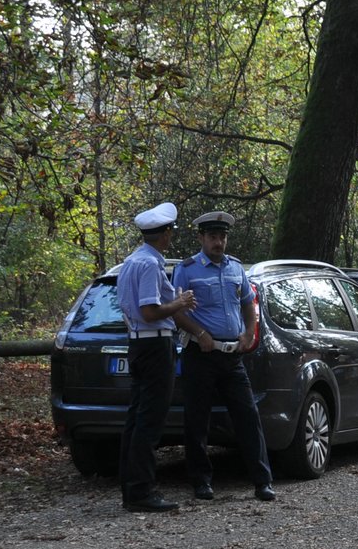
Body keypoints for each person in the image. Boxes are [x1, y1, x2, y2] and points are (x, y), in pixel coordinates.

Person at [170, 211, 277, 503]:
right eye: (213, 237)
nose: (219, 242)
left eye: (223, 237)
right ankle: (201, 482)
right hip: (200, 353)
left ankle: (262, 481)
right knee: (197, 420)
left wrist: (248, 332)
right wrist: (200, 333)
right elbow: (176, 310)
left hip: (232, 357)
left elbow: (247, 303)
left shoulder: (235, 268)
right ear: (202, 238)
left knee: (248, 416)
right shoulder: (187, 269)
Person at [116, 202, 197, 513]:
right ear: (165, 233)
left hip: (137, 345)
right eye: (170, 231)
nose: (171, 236)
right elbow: (150, 312)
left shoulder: (131, 262)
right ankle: (141, 492)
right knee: (150, 420)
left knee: (136, 419)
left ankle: (131, 487)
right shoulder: (150, 265)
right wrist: (179, 303)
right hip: (154, 346)